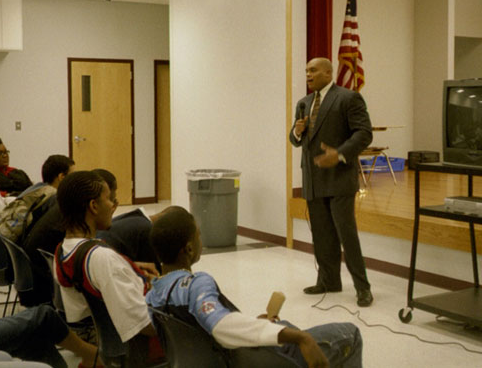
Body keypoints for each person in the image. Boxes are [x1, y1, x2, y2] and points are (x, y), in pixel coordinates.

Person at [145, 206, 363, 367]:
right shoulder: (196, 284)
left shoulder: (154, 294)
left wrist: (250, 324)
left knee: (283, 323)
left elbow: (206, 326)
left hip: (218, 358)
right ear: (189, 249)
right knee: (350, 334)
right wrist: (300, 339)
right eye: (198, 235)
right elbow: (219, 326)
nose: (201, 239)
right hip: (248, 360)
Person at [289, 57, 374, 307]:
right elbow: (295, 140)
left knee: (346, 235)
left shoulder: (348, 98)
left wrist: (339, 154)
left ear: (328, 72)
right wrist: (297, 131)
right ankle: (328, 281)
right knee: (322, 235)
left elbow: (364, 133)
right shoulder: (303, 104)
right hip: (313, 179)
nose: (308, 74)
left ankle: (362, 287)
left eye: (313, 70)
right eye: (306, 70)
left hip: (339, 178)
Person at [54, 171, 163, 365]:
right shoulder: (102, 259)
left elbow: (95, 278)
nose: (113, 206)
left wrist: (129, 267)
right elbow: (143, 324)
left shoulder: (64, 249)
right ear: (93, 206)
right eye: (108, 200)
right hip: (138, 349)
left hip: (108, 343)